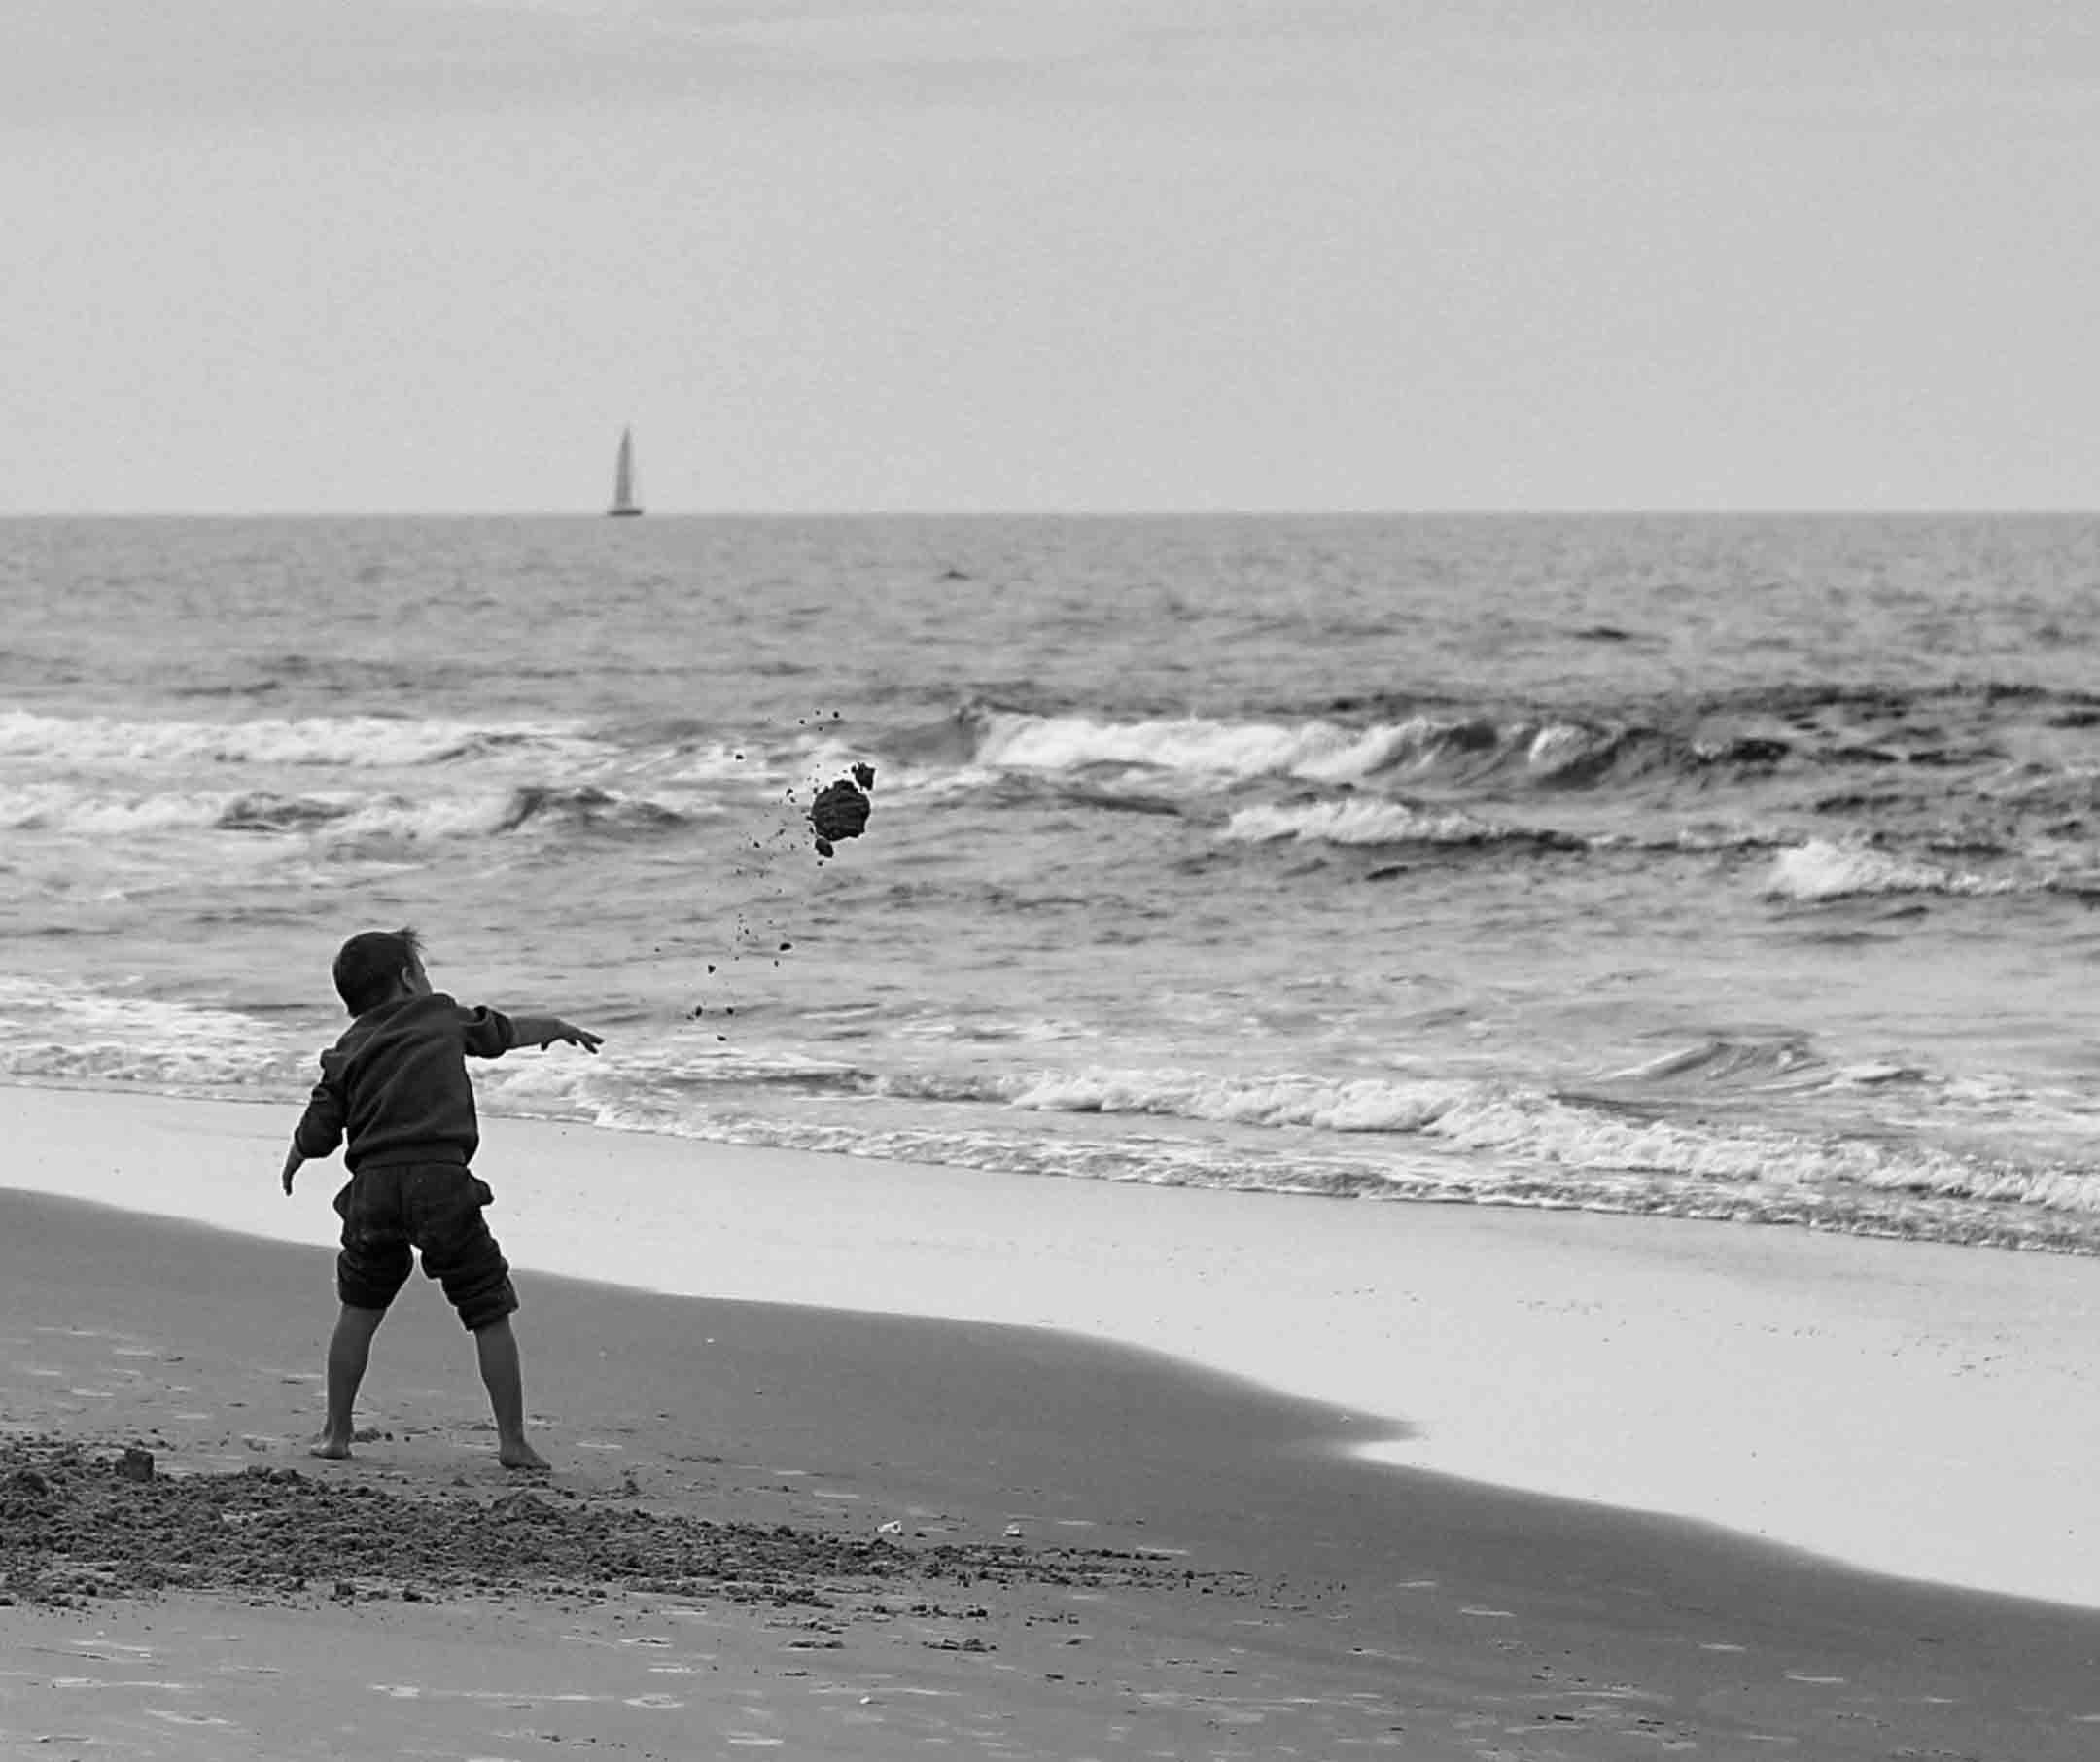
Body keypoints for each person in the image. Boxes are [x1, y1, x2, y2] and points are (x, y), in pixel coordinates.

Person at [280, 927, 602, 1469]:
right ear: (409, 980)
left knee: (358, 1309)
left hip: (372, 1190)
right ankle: (513, 1441)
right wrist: (558, 1027)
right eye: (422, 972)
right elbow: (504, 1033)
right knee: (487, 1308)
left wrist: (295, 1156)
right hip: (440, 1183)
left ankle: (336, 1431)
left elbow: (320, 1126)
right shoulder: (440, 1017)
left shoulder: (347, 1049)